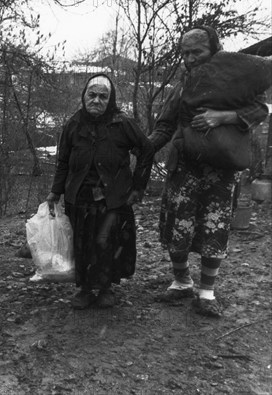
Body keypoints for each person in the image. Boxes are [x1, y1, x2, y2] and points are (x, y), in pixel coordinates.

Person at [150, 26, 269, 317]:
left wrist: (223, 116)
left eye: (197, 52)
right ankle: (181, 281)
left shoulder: (234, 82)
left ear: (215, 51)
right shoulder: (184, 85)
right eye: (185, 53)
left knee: (214, 227)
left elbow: (261, 110)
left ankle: (206, 292)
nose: (190, 59)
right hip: (185, 166)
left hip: (222, 168)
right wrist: (142, 147)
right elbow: (165, 124)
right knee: (178, 226)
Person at [46, 74, 154, 310]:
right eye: (91, 95)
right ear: (84, 96)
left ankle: (105, 288)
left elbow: (146, 150)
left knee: (108, 243)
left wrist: (138, 186)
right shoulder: (74, 124)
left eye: (103, 96)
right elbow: (63, 160)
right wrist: (55, 191)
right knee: (82, 243)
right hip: (80, 197)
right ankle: (84, 288)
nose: (96, 100)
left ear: (110, 99)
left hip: (113, 198)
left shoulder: (122, 124)